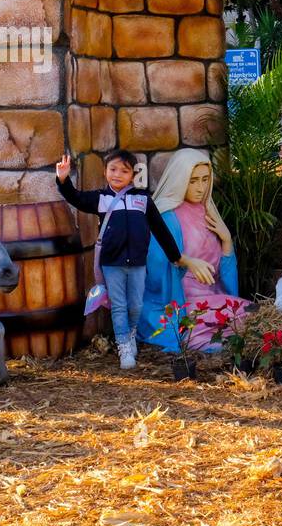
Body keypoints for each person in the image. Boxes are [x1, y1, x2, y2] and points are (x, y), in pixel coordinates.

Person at [56, 149, 212, 370]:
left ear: (133, 175)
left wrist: (175, 257)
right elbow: (76, 198)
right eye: (113, 169)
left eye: (124, 171)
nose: (117, 174)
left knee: (136, 305)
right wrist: (63, 180)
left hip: (138, 263)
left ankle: (130, 334)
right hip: (112, 263)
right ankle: (124, 347)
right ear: (105, 171)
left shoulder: (143, 199)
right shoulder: (101, 199)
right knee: (119, 305)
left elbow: (160, 229)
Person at [139, 149, 247, 353]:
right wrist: (186, 261)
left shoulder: (208, 212)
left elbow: (221, 276)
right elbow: (155, 270)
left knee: (253, 318)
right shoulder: (166, 217)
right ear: (179, 179)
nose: (200, 188)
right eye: (193, 180)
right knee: (238, 333)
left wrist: (226, 242)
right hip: (178, 303)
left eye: (205, 179)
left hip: (213, 297)